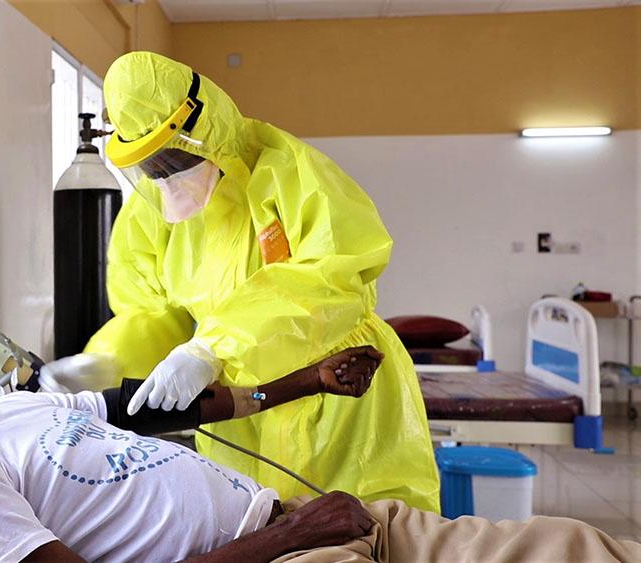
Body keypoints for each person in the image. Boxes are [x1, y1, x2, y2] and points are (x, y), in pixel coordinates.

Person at [0, 348, 641, 563]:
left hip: (317, 526)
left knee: (567, 544)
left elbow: (162, 405)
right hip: (286, 553)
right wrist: (281, 542)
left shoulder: (6, 410)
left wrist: (306, 378)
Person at [45, 51, 439, 509]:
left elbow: (331, 277)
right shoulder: (152, 212)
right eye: (150, 166)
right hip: (240, 409)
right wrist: (108, 364)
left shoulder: (287, 172)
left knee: (374, 532)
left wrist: (212, 347)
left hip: (338, 394)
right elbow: (154, 312)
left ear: (200, 129)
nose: (164, 177)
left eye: (172, 159)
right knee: (257, 531)